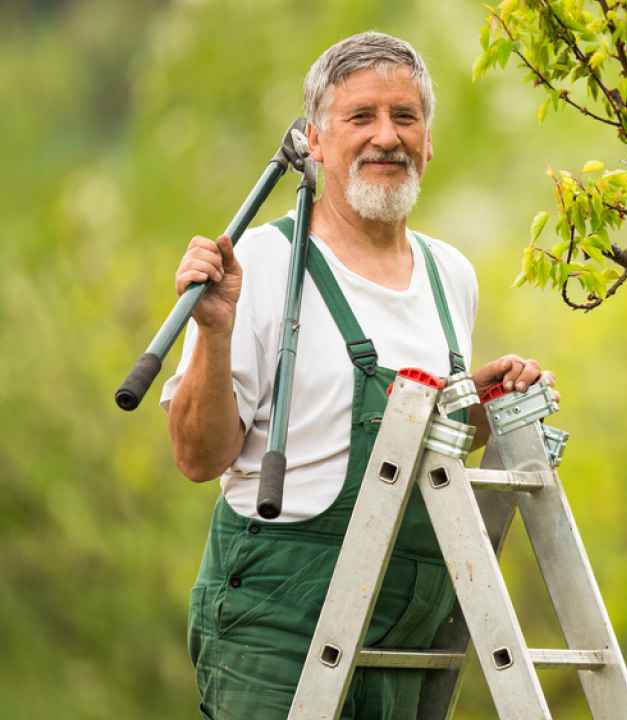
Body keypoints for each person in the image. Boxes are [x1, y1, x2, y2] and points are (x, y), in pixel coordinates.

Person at [160, 31, 551, 719]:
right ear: (314, 140)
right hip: (281, 630)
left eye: (405, 117)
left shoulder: (448, 275)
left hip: (405, 638)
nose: (386, 137)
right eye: (360, 117)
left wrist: (479, 403)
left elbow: (411, 448)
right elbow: (196, 456)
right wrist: (213, 333)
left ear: (429, 141)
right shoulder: (267, 259)